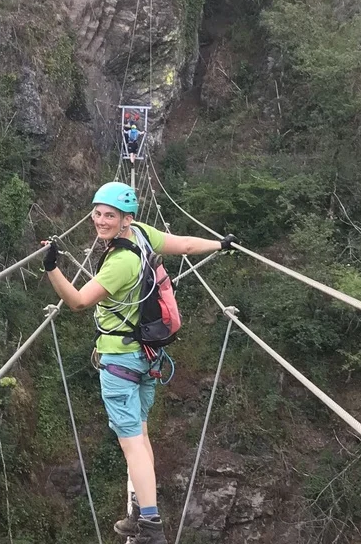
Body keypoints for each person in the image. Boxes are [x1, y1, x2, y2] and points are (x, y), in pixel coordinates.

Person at [43, 182, 236, 544]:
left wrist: (52, 268)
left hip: (120, 360)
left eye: (109, 216)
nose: (100, 221)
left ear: (125, 219)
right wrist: (220, 245)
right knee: (141, 439)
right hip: (148, 357)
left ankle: (150, 526)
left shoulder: (120, 262)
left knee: (132, 446)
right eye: (97, 213)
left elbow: (79, 302)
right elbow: (186, 245)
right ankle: (138, 513)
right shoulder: (143, 235)